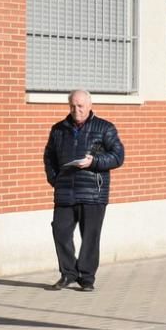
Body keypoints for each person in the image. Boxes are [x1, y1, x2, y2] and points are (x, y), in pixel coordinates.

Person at [43, 90, 125, 292]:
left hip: (93, 193)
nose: (76, 110)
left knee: (90, 236)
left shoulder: (105, 128)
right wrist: (56, 179)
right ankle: (68, 273)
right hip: (65, 192)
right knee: (60, 231)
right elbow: (49, 157)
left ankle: (87, 278)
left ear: (89, 105)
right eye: (72, 106)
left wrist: (94, 161)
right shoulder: (58, 129)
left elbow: (117, 157)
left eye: (80, 106)